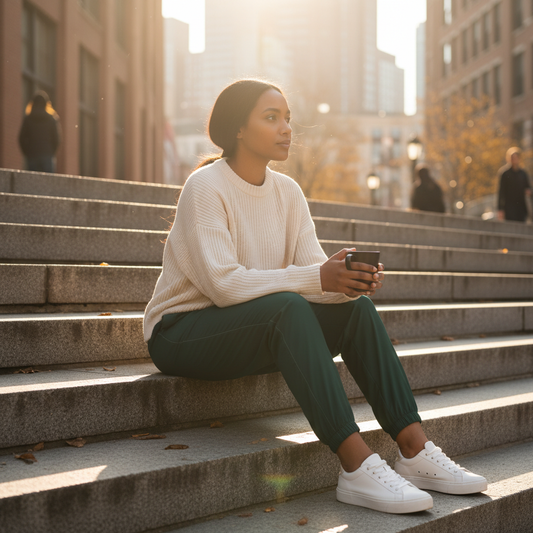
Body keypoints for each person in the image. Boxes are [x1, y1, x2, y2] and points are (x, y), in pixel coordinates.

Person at [143, 79, 487, 515]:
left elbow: (312, 279)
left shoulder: (288, 192)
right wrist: (318, 277)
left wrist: (346, 284)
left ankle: (414, 450)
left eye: (287, 117)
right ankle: (356, 465)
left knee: (356, 310)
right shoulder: (204, 187)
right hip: (181, 332)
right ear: (238, 129)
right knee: (286, 307)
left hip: (250, 328)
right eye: (271, 118)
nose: (287, 127)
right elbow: (225, 285)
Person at [18, 91, 61, 173]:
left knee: (31, 182)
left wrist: (27, 153)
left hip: (32, 155)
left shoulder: (28, 119)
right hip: (47, 156)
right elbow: (57, 139)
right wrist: (51, 152)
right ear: (47, 104)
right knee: (48, 182)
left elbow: (21, 138)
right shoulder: (52, 119)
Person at [497, 147, 531, 223]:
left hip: (521, 207)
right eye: (512, 158)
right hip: (509, 207)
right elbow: (501, 192)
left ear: (519, 159)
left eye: (516, 158)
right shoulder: (505, 173)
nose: (514, 160)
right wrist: (500, 209)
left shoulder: (523, 174)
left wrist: (529, 192)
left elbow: (529, 188)